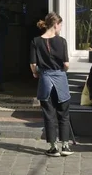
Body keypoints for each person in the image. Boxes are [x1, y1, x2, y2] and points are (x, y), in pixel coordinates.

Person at [29, 12, 72, 157]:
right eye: (60, 25)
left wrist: (36, 73)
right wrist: (62, 71)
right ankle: (65, 146)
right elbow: (66, 64)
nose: (60, 28)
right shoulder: (62, 41)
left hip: (45, 79)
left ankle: (53, 148)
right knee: (63, 114)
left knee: (49, 115)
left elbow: (33, 64)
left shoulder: (35, 41)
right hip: (60, 79)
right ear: (55, 25)